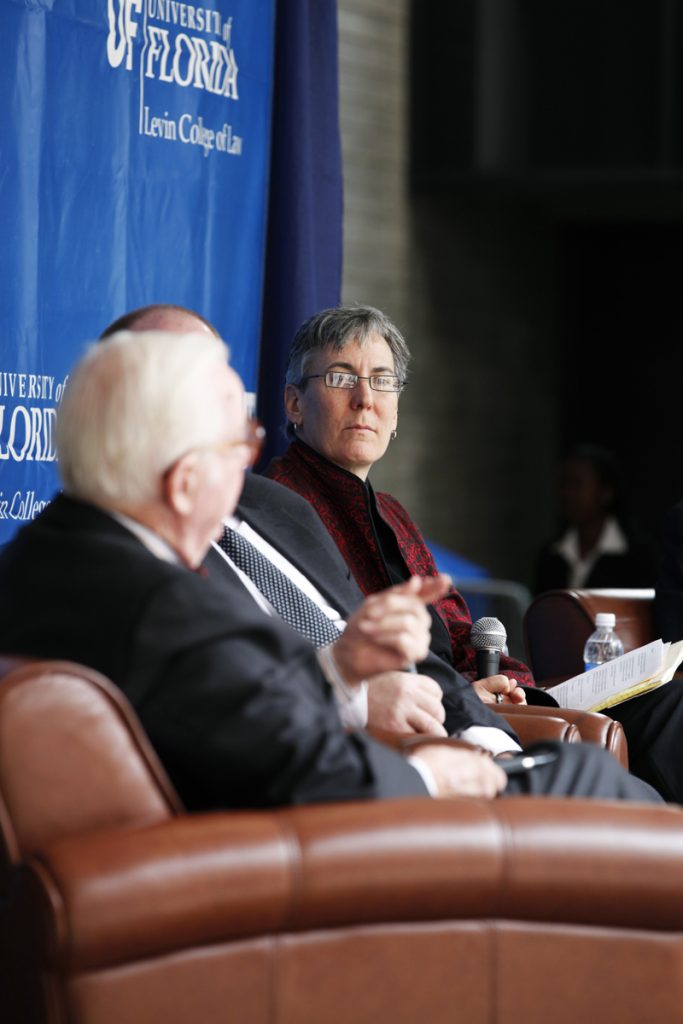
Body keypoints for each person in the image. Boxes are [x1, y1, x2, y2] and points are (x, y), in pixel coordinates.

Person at [0, 327, 659, 808]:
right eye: (240, 443)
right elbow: (301, 768)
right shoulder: (164, 606)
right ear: (184, 481)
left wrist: (340, 669)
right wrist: (432, 777)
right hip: (334, 859)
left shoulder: (38, 560)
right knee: (591, 779)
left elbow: (236, 717)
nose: (248, 469)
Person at [264, 304, 683, 804]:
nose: (365, 399)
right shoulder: (276, 509)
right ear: (294, 403)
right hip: (415, 728)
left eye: (382, 380)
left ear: (396, 411)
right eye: (340, 377)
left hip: (477, 708)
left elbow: (459, 629)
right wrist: (461, 694)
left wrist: (504, 681)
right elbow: (328, 645)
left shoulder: (391, 512)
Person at [536, 445, 658, 594]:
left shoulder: (639, 557)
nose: (568, 494)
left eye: (577, 484)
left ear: (606, 492)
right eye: (563, 484)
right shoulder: (551, 555)